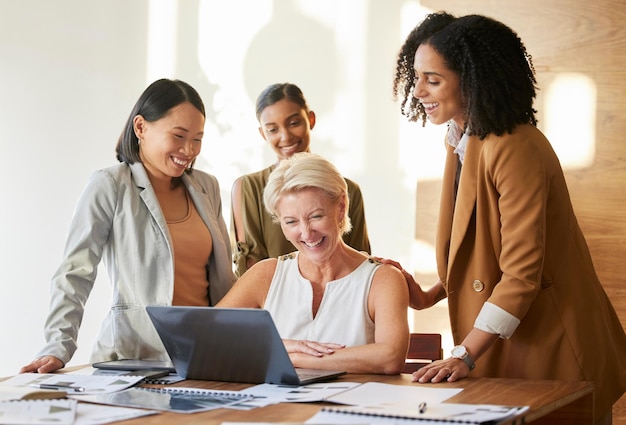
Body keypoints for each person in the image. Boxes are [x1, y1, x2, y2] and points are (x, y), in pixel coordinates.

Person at [390, 11, 626, 423]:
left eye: (433, 79)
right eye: (417, 77)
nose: (420, 91)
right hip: (509, 339)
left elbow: (520, 272)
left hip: (553, 343)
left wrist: (464, 353)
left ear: (471, 78)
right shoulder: (461, 139)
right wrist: (431, 294)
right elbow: (478, 246)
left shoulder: (515, 146)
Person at [21, 79, 236, 374]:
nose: (189, 150)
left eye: (197, 138)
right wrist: (59, 345)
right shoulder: (109, 185)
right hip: (135, 358)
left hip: (204, 357)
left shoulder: (206, 187)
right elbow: (75, 271)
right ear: (140, 128)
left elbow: (224, 278)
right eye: (178, 135)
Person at [219, 152, 409, 374]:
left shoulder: (383, 279)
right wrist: (281, 347)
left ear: (341, 208)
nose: (307, 233)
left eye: (316, 216)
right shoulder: (266, 275)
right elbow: (205, 336)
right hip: (276, 408)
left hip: (352, 407)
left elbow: (390, 358)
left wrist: (294, 357)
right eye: (291, 222)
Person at [231, 82, 371, 277]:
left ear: (311, 119)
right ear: (263, 134)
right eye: (272, 129)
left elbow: (359, 263)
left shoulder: (348, 190)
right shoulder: (248, 188)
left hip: (339, 301)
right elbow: (251, 270)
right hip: (271, 302)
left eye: (294, 123)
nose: (285, 136)